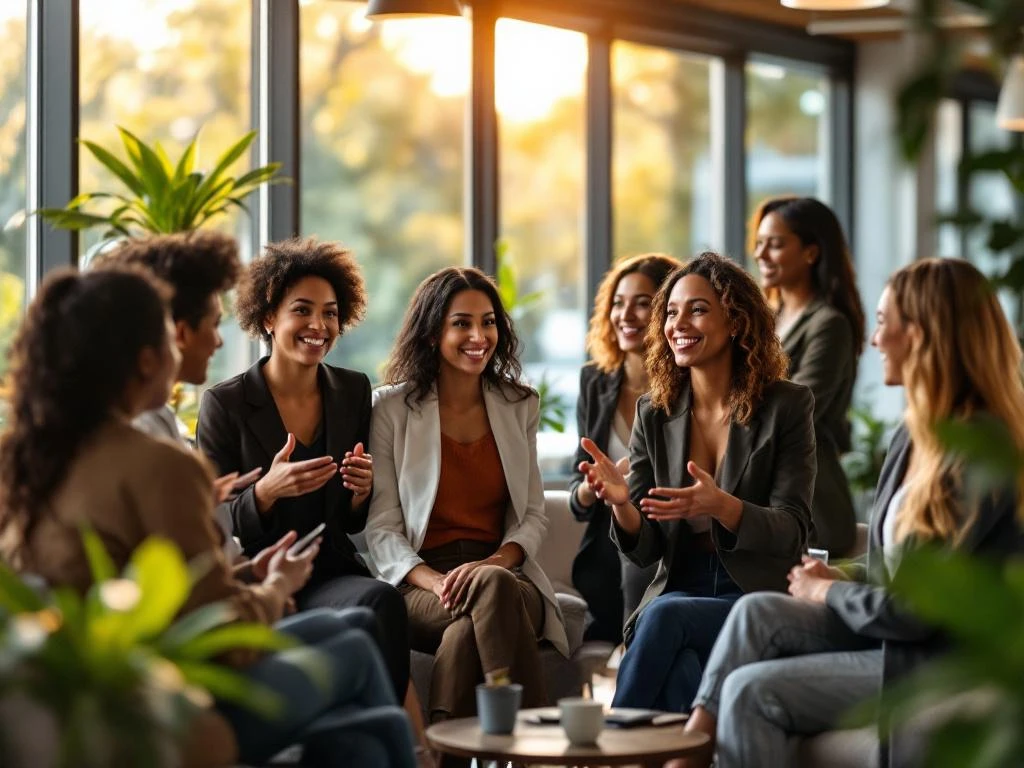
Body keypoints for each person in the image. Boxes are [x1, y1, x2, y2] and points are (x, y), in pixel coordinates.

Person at [0, 267, 416, 768]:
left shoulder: (22, 457)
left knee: (359, 671)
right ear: (147, 360)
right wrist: (275, 588)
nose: (194, 346)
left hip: (88, 683)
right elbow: (220, 637)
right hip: (160, 695)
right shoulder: (161, 463)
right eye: (170, 339)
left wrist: (250, 575)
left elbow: (161, 583)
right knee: (365, 683)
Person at [680, 258, 1024, 768]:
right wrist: (840, 574)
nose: (875, 340)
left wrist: (830, 590)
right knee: (755, 611)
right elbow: (903, 572)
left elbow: (923, 608)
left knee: (752, 691)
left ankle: (684, 756)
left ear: (926, 334)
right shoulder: (913, 437)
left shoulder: (979, 448)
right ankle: (691, 744)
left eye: (885, 324)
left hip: (941, 657)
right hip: (902, 633)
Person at [578, 252, 815, 713]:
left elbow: (794, 530)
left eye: (698, 309)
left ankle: (608, 751)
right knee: (681, 671)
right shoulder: (655, 411)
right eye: (671, 312)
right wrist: (623, 504)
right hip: (679, 586)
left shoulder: (787, 406)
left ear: (737, 321)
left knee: (664, 620)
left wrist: (722, 506)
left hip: (753, 595)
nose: (678, 324)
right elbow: (645, 550)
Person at [196, 237, 409, 702]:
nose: (319, 325)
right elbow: (214, 518)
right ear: (269, 318)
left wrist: (360, 491)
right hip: (262, 573)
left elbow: (353, 520)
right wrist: (265, 493)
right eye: (303, 310)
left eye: (330, 313)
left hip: (330, 571)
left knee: (380, 600)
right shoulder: (225, 404)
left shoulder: (352, 391)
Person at [366, 267, 569, 733]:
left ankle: (443, 753)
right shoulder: (391, 409)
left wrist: (495, 562)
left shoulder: (520, 404)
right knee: (469, 619)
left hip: (509, 575)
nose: (479, 335)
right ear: (433, 330)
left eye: (489, 321)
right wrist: (436, 582)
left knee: (488, 594)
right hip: (421, 583)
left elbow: (533, 515)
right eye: (461, 323)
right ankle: (530, 743)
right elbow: (381, 529)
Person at [98, 231, 245, 558]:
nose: (219, 342)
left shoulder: (151, 420)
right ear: (179, 333)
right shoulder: (145, 439)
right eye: (215, 324)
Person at [569, 253, 681, 644]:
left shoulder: (689, 382)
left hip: (670, 536)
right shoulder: (594, 381)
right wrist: (592, 487)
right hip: (605, 541)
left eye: (642, 303)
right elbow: (577, 496)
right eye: (618, 303)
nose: (626, 315)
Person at [752, 196, 865, 555]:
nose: (761, 254)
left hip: (810, 500)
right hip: (764, 494)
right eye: (759, 243)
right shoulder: (767, 320)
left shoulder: (829, 324)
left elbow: (798, 410)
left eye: (776, 244)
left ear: (811, 252)